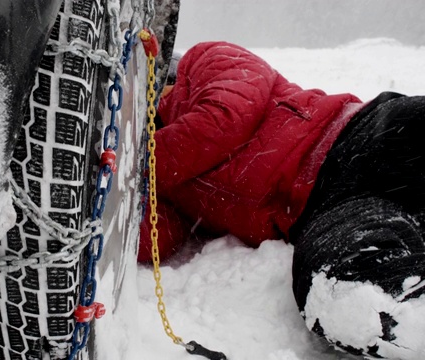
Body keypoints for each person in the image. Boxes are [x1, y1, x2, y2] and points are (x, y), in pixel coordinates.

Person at [138, 41, 425, 359]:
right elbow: (157, 236)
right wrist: (115, 194)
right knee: (341, 295)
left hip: (359, 134)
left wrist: (135, 162)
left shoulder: (204, 60)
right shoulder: (157, 176)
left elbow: (225, 118)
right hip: (325, 209)